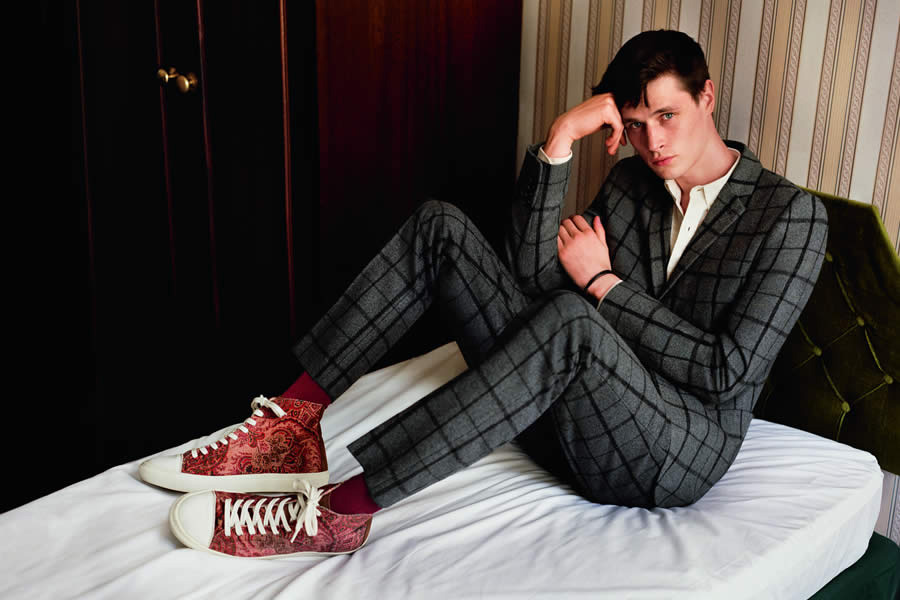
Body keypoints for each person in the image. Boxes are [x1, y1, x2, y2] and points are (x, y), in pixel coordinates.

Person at [139, 29, 828, 559]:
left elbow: (726, 371)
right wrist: (560, 141)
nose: (653, 142)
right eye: (637, 123)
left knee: (572, 320)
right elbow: (528, 280)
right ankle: (290, 429)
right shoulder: (630, 184)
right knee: (442, 226)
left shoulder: (791, 216)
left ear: (708, 96)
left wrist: (604, 285)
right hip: (568, 419)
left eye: (669, 116)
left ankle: (340, 511)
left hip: (671, 453)